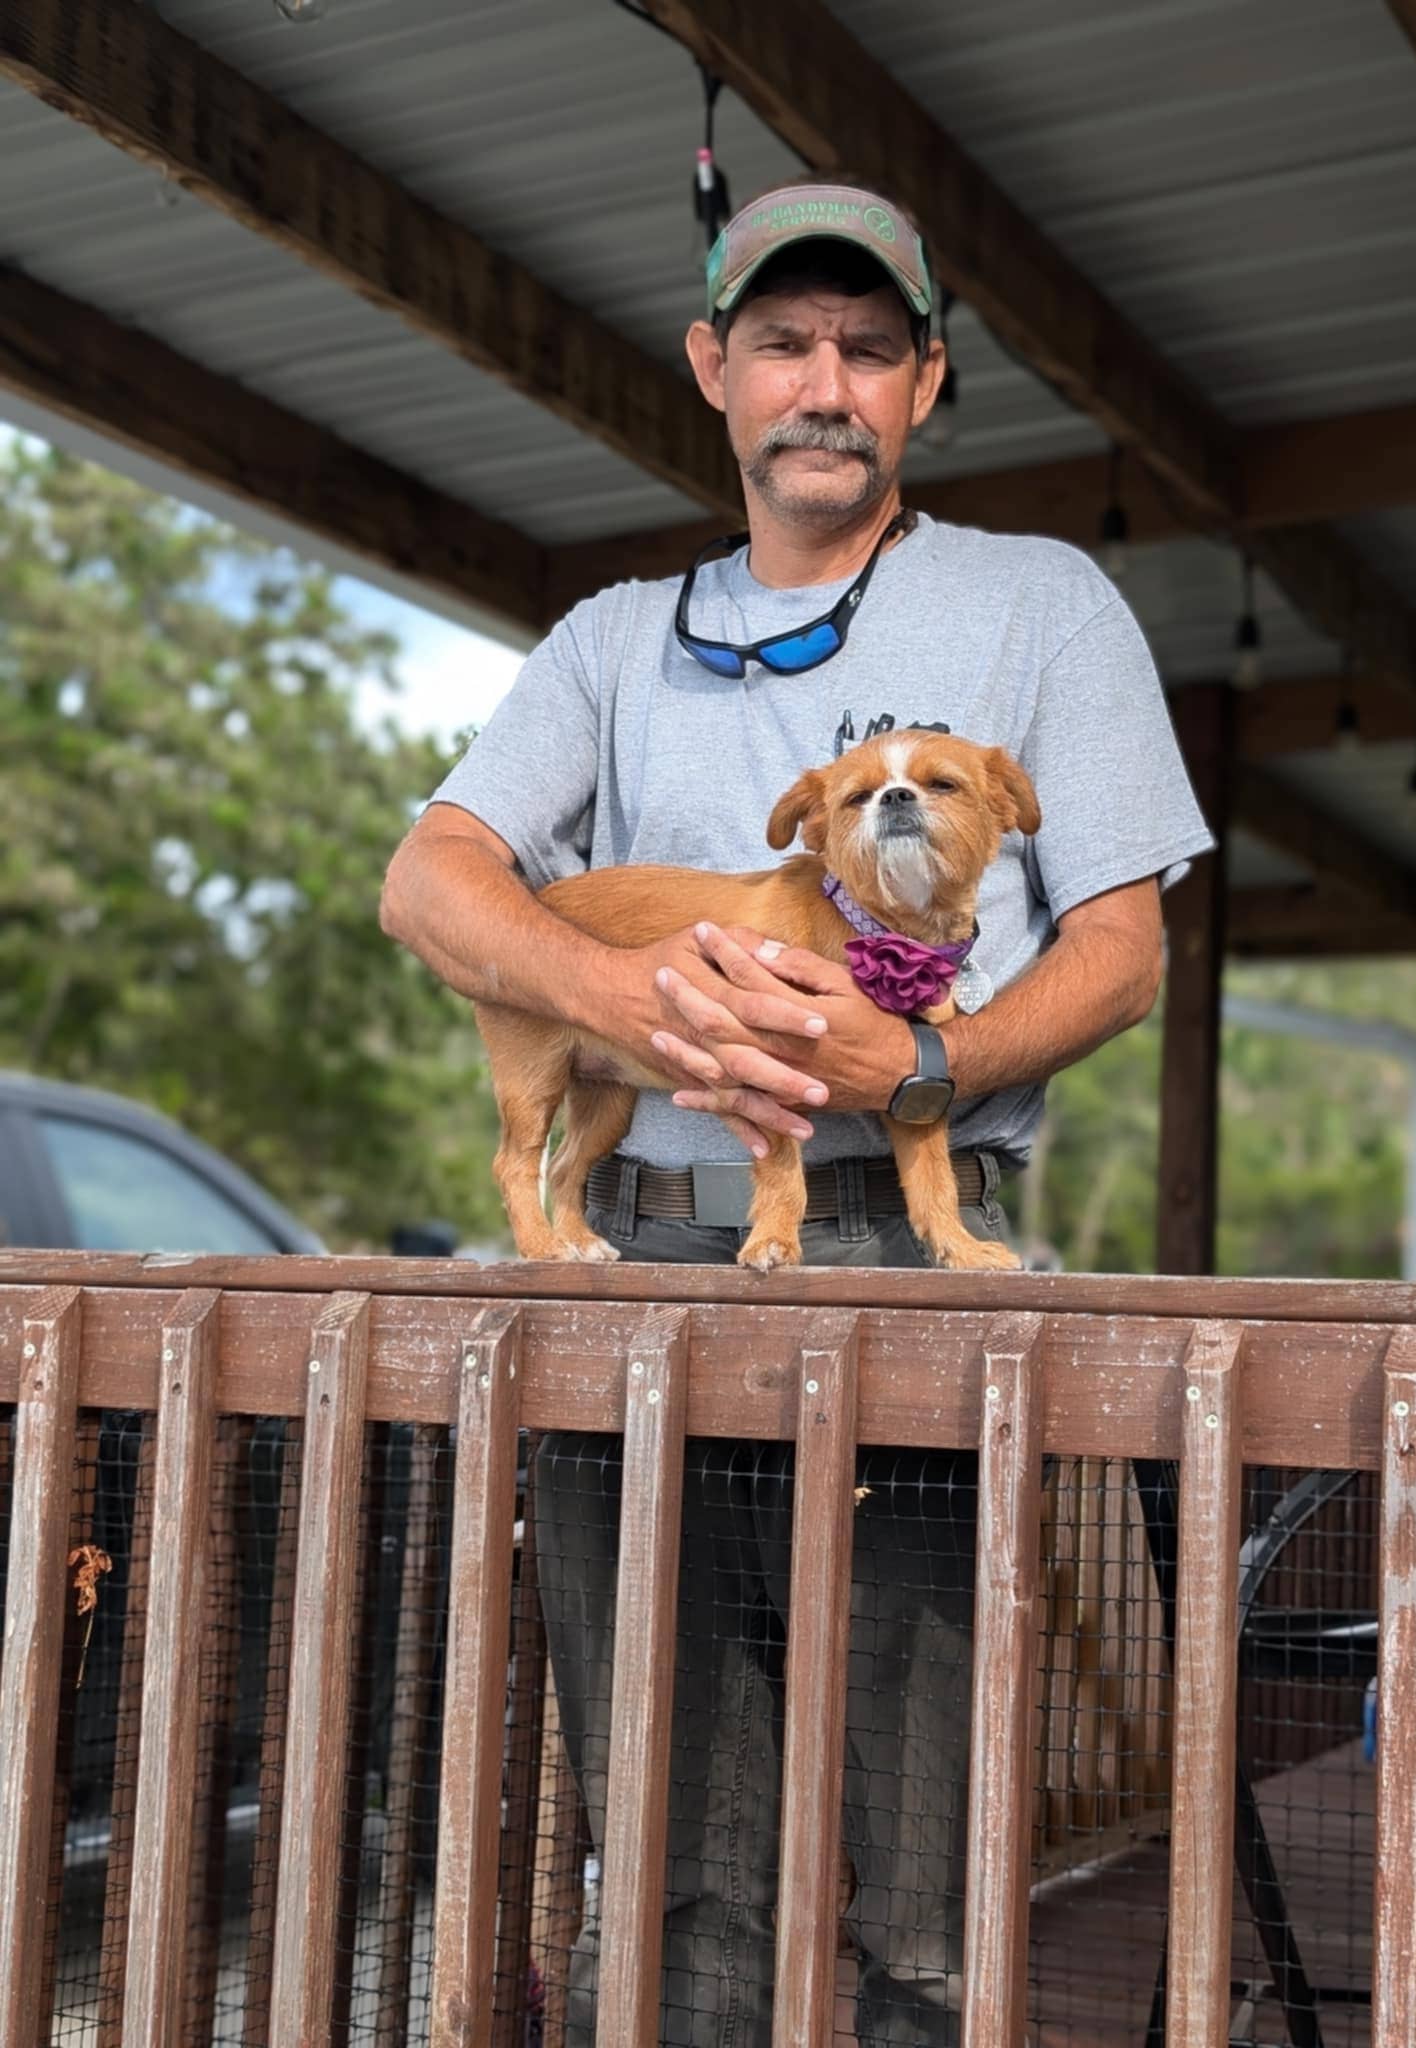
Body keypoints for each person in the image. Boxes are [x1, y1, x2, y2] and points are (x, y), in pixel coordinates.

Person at [381, 177, 1214, 2046]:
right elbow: (429, 884)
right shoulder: (608, 640)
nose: (821, 382)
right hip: (645, 1257)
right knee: (677, 1845)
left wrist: (917, 1065)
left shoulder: (1036, 602)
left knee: (923, 1858)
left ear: (924, 382)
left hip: (908, 1257)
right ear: (714, 370)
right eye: (781, 342)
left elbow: (1121, 949)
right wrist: (630, 1004)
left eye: (863, 347)